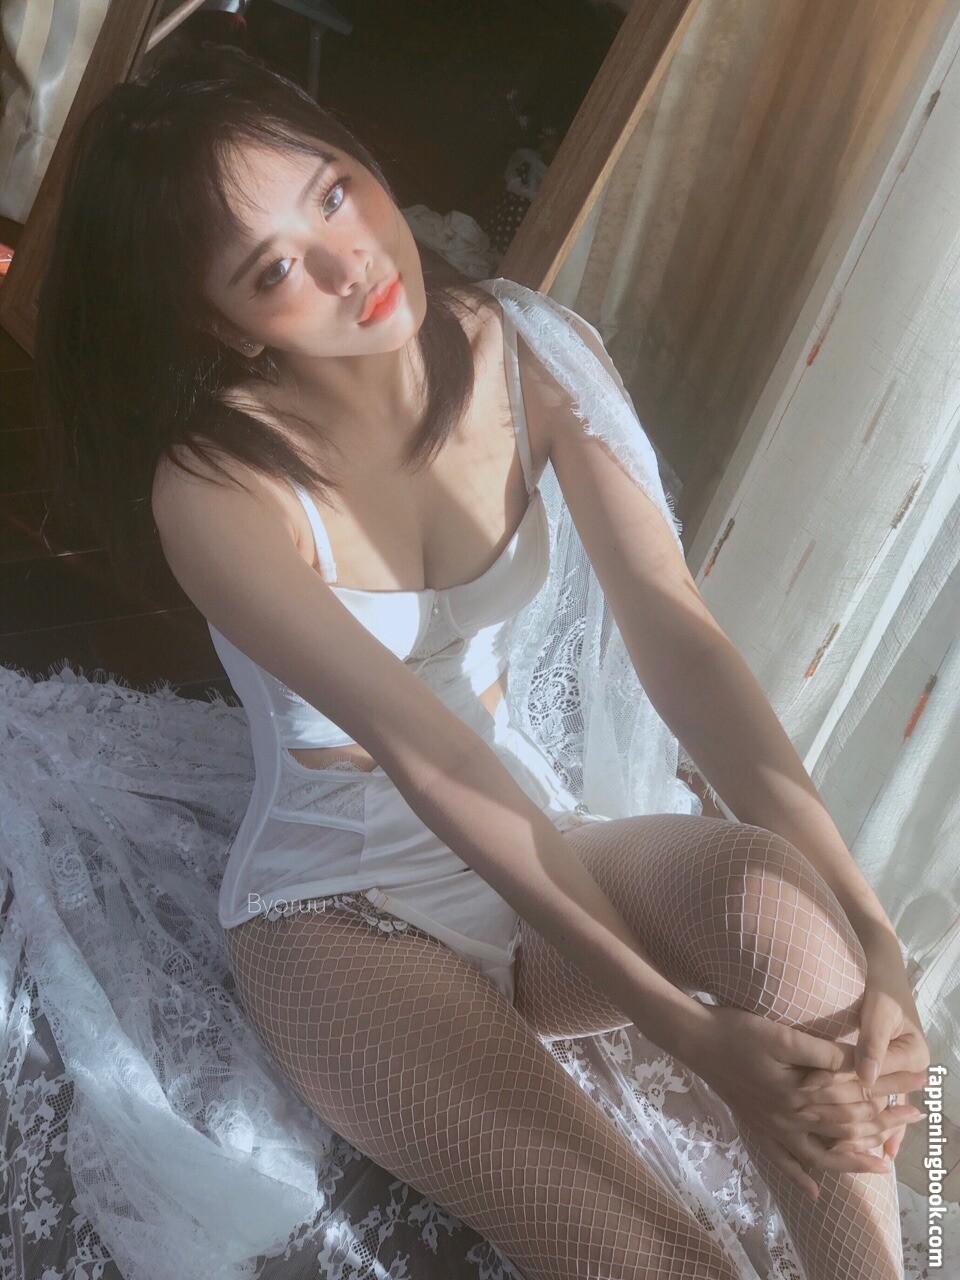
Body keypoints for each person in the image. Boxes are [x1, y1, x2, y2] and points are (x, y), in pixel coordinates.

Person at [33, 42, 931, 1280]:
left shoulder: (532, 350)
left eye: (334, 192)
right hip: (347, 923)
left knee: (783, 904)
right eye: (274, 268)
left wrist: (877, 935)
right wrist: (685, 1031)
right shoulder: (215, 491)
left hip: (540, 858)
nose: (350, 261)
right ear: (218, 324)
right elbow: (432, 755)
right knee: (658, 1258)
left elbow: (679, 637)